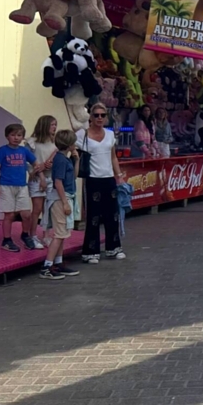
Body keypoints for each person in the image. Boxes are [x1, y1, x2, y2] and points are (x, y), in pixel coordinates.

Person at [76, 103, 127, 264]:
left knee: (112, 215)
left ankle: (114, 248)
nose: (99, 118)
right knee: (93, 216)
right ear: (90, 117)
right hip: (92, 178)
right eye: (96, 115)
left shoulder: (110, 135)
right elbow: (69, 147)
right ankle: (91, 251)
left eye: (102, 115)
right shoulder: (82, 134)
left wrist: (119, 175)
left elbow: (113, 157)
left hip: (108, 177)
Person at [40, 130, 81, 280]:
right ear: (69, 144)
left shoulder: (65, 159)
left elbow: (74, 176)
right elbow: (58, 182)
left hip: (65, 196)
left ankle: (58, 262)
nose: (75, 144)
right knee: (59, 234)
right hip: (59, 199)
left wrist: (77, 160)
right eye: (74, 142)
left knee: (62, 233)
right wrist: (65, 203)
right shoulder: (60, 160)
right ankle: (47, 266)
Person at [0, 123, 37, 252]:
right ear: (7, 136)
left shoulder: (24, 151)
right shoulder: (2, 150)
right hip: (6, 185)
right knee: (9, 215)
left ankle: (25, 235)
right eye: (13, 135)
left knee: (26, 214)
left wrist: (37, 172)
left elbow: (35, 163)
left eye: (19, 135)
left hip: (22, 186)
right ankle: (6, 240)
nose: (16, 138)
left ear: (22, 137)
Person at [26, 115, 58, 250]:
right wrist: (39, 172)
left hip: (51, 178)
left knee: (48, 209)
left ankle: (46, 235)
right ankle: (32, 235)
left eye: (55, 125)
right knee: (37, 208)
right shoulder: (32, 143)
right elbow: (28, 162)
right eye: (52, 125)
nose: (54, 127)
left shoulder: (55, 143)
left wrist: (51, 165)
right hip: (37, 179)